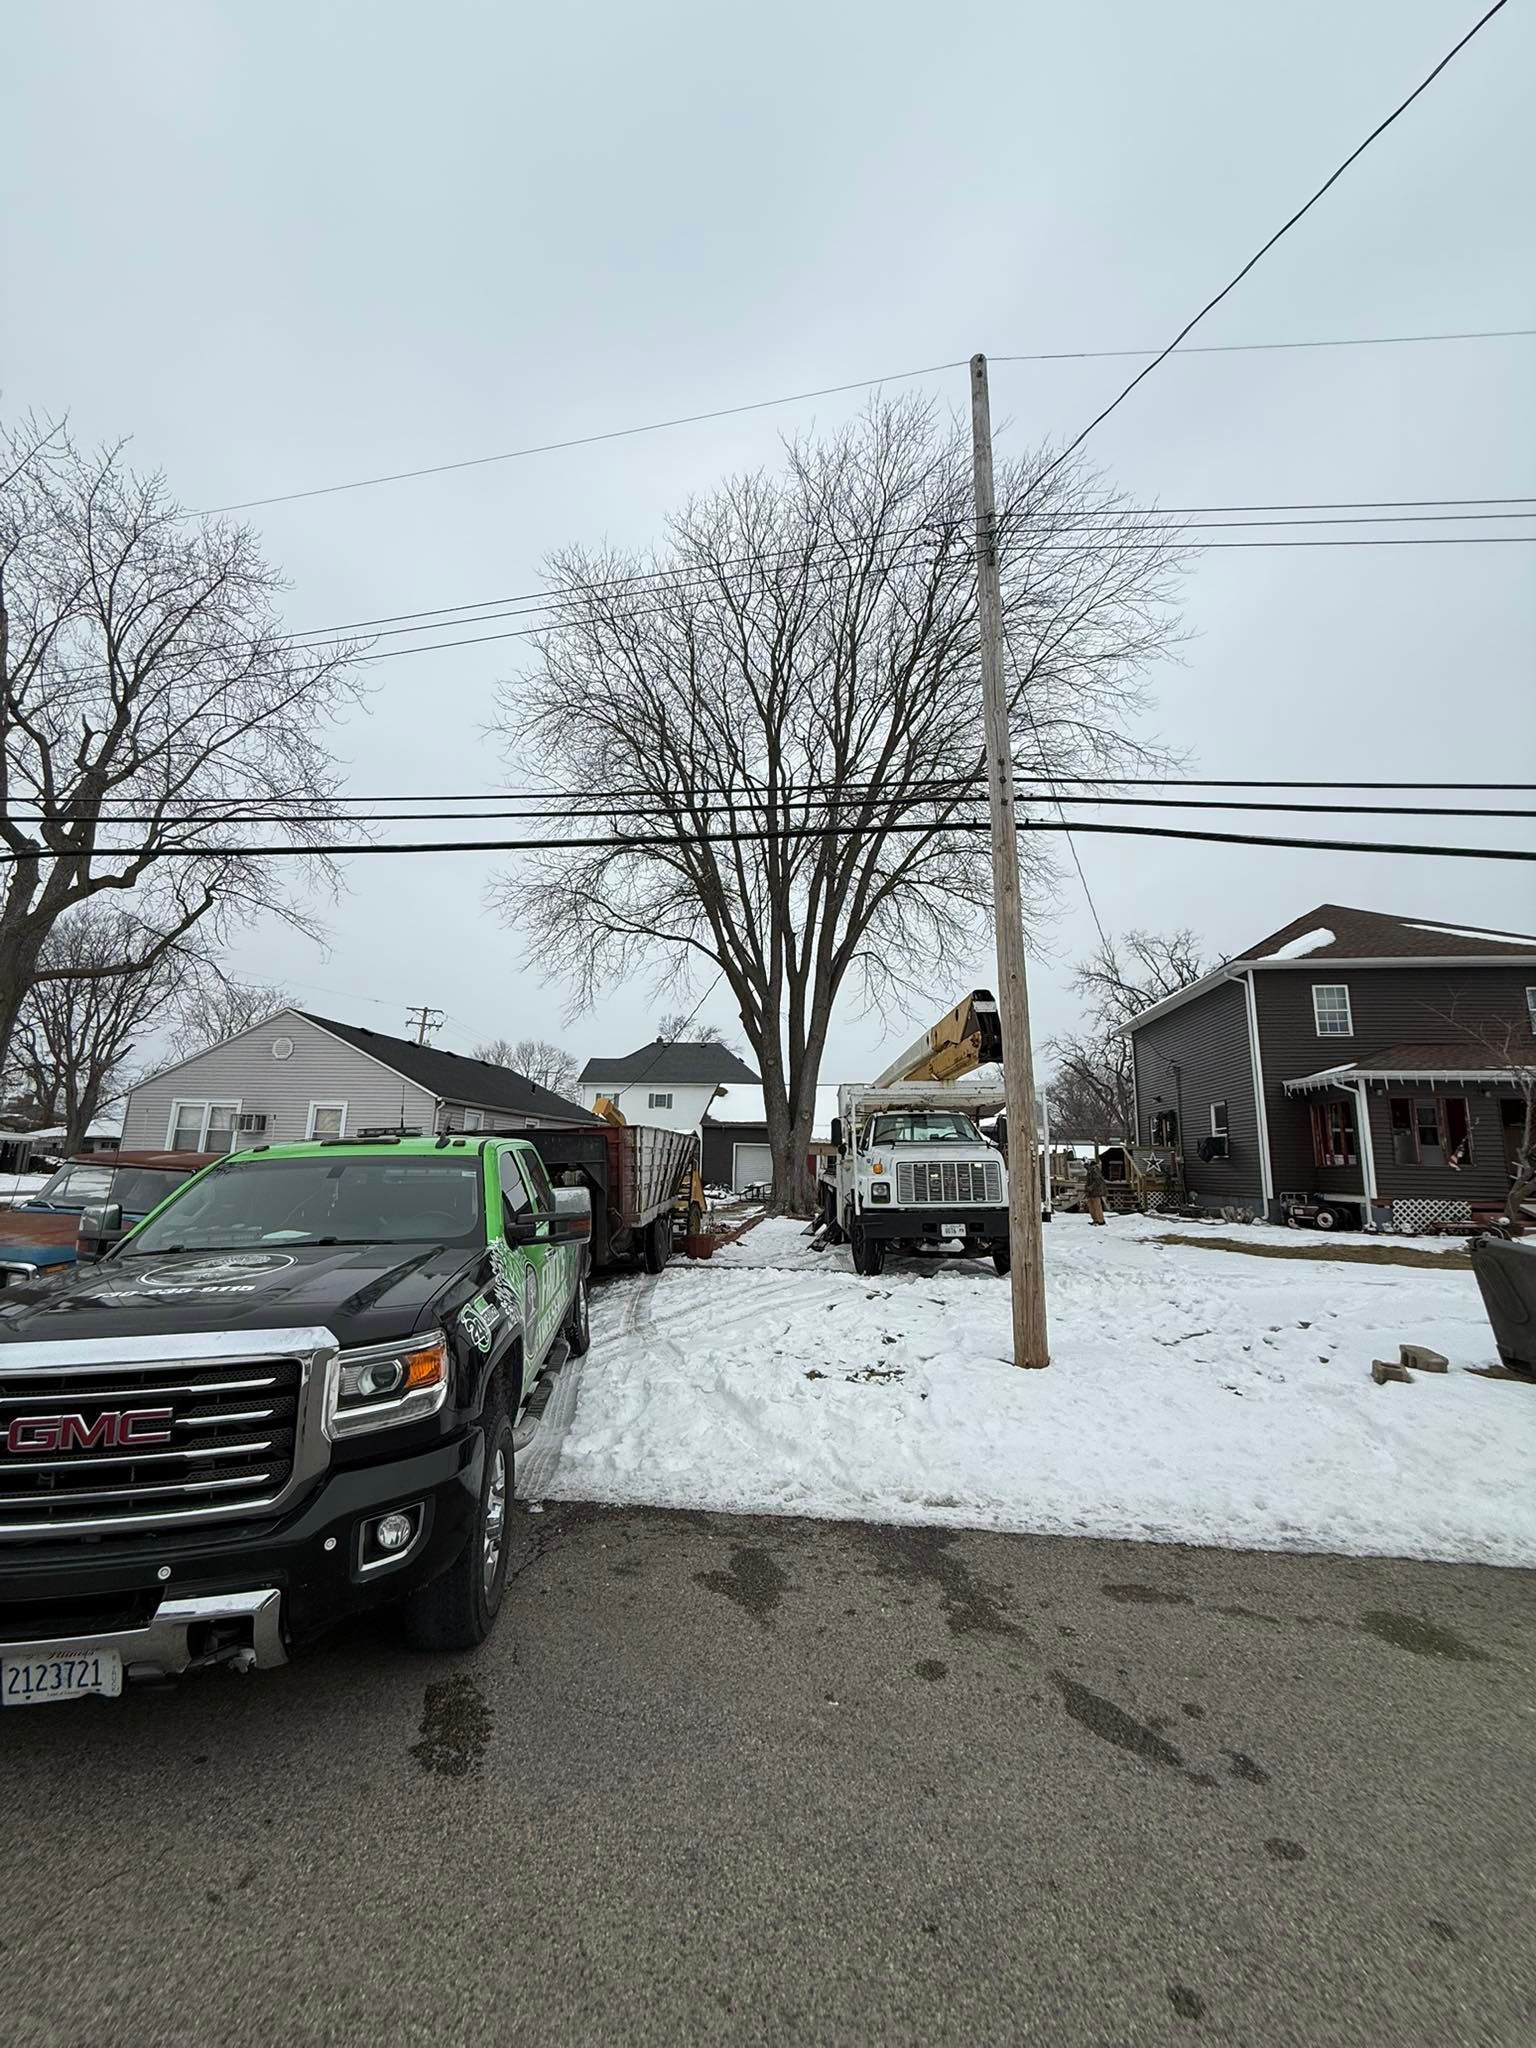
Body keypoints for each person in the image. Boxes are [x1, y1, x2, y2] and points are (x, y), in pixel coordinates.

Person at [1083, 1155, 1107, 1226]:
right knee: (1092, 1205)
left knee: (1096, 1205)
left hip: (1096, 1190)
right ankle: (1095, 1220)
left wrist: (1090, 1187)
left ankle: (1100, 1220)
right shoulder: (1091, 1170)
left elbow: (1096, 1181)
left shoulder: (1094, 1169)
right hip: (1092, 1191)